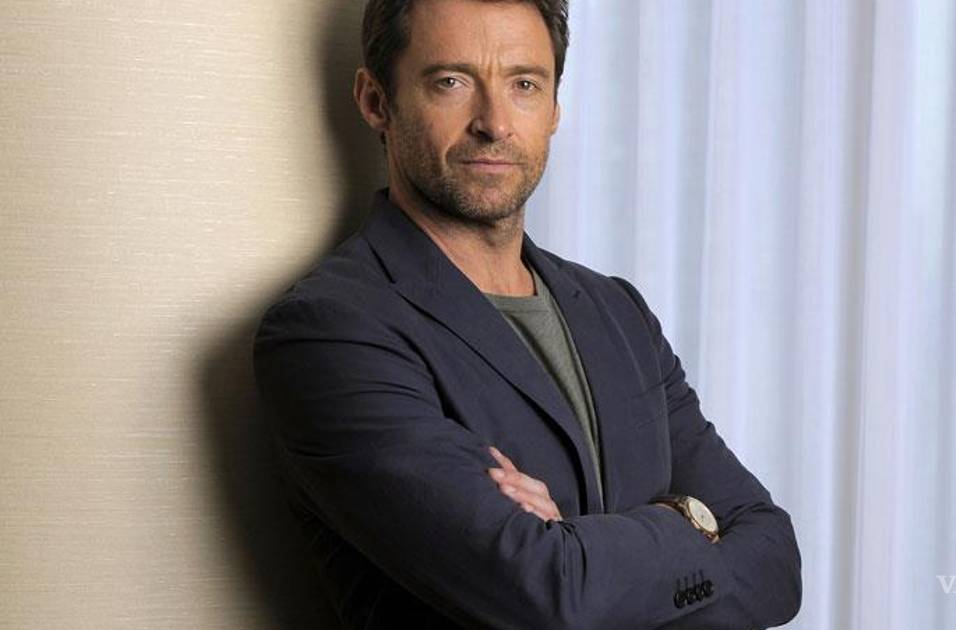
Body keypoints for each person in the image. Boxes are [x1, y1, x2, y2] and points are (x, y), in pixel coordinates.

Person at [252, 0, 803, 627]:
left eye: (524, 85)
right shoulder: (330, 333)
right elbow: (548, 595)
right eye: (452, 81)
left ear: (554, 108)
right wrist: (689, 523)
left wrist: (580, 548)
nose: (494, 123)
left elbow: (775, 562)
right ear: (376, 101)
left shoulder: (619, 315)